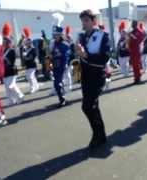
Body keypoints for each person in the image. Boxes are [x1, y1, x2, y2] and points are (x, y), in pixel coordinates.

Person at [76, 10, 110, 149]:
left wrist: (86, 55)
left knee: (87, 106)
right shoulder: (81, 37)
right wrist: (77, 52)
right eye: (82, 20)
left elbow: (104, 58)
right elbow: (81, 56)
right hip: (85, 76)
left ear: (93, 21)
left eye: (86, 20)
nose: (84, 23)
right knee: (93, 106)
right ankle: (100, 135)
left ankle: (97, 134)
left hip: (97, 76)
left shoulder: (103, 36)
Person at [2, 22, 24, 105]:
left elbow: (11, 61)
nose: (3, 43)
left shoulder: (12, 51)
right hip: (5, 71)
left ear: (8, 42)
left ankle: (20, 95)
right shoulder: (2, 51)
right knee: (7, 87)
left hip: (11, 70)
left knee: (10, 85)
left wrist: (4, 59)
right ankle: (11, 100)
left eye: (5, 41)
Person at [50, 25, 70, 107]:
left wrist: (65, 63)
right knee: (56, 83)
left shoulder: (64, 44)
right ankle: (61, 97)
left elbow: (67, 55)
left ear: (60, 35)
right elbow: (52, 54)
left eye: (56, 34)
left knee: (58, 83)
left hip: (61, 65)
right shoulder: (53, 43)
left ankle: (62, 98)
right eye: (54, 34)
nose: (55, 36)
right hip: (55, 65)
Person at [22, 27, 39, 94]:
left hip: (32, 64)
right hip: (27, 65)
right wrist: (24, 54)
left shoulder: (33, 49)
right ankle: (36, 85)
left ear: (30, 43)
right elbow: (24, 56)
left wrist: (26, 57)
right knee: (28, 76)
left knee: (30, 76)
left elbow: (33, 56)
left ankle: (33, 88)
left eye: (28, 43)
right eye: (26, 43)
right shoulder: (25, 49)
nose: (27, 44)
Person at [129, 20, 145, 84]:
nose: (132, 25)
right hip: (132, 50)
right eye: (132, 24)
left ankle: (138, 78)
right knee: (134, 66)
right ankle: (136, 78)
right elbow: (130, 40)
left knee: (137, 65)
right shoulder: (132, 31)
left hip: (137, 50)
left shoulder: (139, 31)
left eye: (133, 24)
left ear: (136, 24)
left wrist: (131, 36)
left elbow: (138, 40)